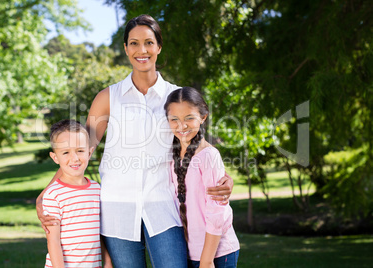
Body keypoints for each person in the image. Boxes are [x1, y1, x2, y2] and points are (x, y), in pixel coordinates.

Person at [37, 14, 233, 268]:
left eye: (149, 43)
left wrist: (224, 176)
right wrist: (46, 194)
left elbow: (198, 143)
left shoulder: (174, 97)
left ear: (159, 47)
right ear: (126, 49)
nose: (142, 50)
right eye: (134, 43)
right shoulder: (108, 97)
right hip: (117, 210)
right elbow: (78, 152)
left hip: (164, 207)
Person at [164, 87, 240, 268]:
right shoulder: (170, 154)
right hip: (190, 252)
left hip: (216, 254)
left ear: (203, 117)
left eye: (189, 118)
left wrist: (206, 261)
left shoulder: (208, 156)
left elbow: (217, 212)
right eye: (174, 119)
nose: (182, 126)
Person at [42, 119, 105, 268]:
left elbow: (102, 231)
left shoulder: (97, 189)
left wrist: (107, 263)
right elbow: (53, 241)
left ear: (89, 153)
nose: (74, 158)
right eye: (65, 152)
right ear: (55, 157)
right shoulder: (53, 195)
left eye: (80, 151)